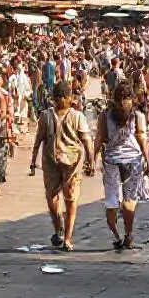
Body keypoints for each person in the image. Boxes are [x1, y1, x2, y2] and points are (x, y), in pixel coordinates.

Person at [30, 82, 95, 253]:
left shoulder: (77, 116)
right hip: (50, 161)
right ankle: (58, 227)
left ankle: (67, 238)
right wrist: (32, 160)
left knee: (71, 200)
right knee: (51, 198)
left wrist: (91, 159)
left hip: (72, 164)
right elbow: (38, 139)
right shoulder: (46, 116)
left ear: (69, 98)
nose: (60, 101)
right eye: (57, 98)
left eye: (63, 97)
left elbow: (86, 139)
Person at [94, 83, 149, 252]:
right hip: (133, 160)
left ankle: (117, 235)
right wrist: (148, 161)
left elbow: (99, 138)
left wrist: (91, 157)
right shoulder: (137, 115)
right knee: (129, 199)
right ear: (132, 98)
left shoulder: (105, 115)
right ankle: (129, 234)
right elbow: (142, 140)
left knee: (111, 200)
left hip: (111, 160)